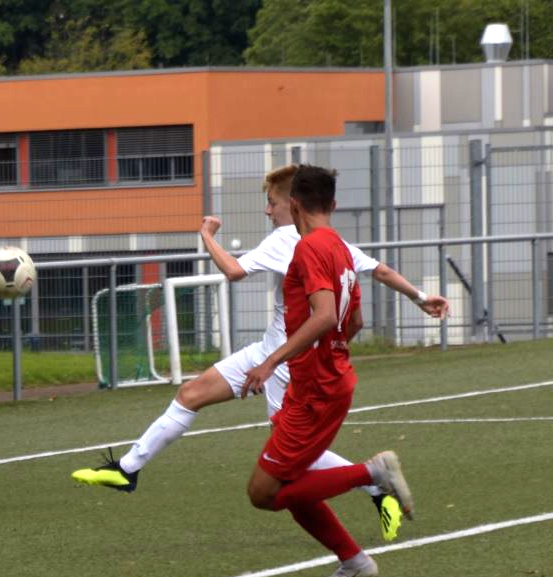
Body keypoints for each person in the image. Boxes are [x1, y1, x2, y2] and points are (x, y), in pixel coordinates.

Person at [72, 164, 446, 542]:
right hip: (269, 351)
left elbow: (233, 271)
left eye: (271, 203)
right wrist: (419, 297)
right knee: (191, 394)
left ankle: (374, 486)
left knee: (291, 455)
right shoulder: (336, 244)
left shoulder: (288, 238)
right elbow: (379, 273)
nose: (267, 211)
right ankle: (128, 467)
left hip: (284, 361)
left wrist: (207, 236)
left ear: (292, 204)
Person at [240, 164, 413, 577]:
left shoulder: (309, 249)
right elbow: (353, 320)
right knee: (294, 483)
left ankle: (372, 474)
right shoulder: (339, 246)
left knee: (263, 494)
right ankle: (354, 562)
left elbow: (325, 316)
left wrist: (270, 362)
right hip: (329, 381)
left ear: (294, 205)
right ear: (332, 205)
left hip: (315, 389)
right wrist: (331, 351)